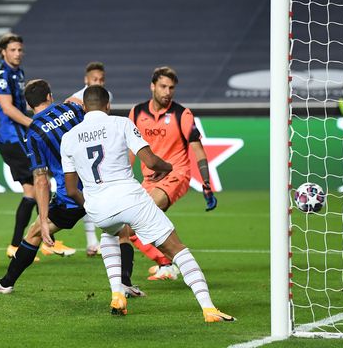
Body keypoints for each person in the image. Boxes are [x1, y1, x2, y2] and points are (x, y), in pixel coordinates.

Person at [61, 86, 234, 322]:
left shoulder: (68, 137)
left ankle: (117, 294)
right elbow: (150, 162)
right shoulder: (121, 123)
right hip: (131, 199)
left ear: (83, 107)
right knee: (176, 248)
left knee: (110, 234)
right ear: (108, 106)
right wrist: (170, 168)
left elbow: (71, 189)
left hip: (98, 207)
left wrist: (91, 204)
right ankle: (208, 308)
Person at [0, 33, 74, 259]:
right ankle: (26, 244)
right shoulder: (2, 75)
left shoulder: (18, 73)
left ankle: (34, 242)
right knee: (36, 188)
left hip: (19, 137)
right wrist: (37, 124)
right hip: (11, 139)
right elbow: (7, 108)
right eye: (13, 50)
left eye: (20, 50)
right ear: (3, 52)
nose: (17, 54)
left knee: (34, 192)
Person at [128, 66, 218, 281]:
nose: (167, 92)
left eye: (171, 88)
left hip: (176, 174)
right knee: (126, 229)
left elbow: (197, 148)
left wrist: (206, 182)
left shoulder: (182, 114)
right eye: (163, 87)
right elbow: (131, 149)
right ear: (152, 86)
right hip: (149, 179)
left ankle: (171, 264)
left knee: (141, 215)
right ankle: (165, 263)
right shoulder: (137, 112)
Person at [65, 62, 113, 257]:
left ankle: (96, 241)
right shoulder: (75, 99)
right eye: (95, 80)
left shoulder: (106, 96)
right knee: (87, 194)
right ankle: (93, 241)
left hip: (96, 150)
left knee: (95, 194)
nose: (99, 83)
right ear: (86, 80)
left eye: (101, 80)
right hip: (82, 150)